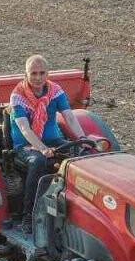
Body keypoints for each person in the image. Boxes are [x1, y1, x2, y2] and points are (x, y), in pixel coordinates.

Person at [10, 55, 87, 230]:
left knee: (82, 155)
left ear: (48, 74)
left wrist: (82, 139)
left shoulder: (56, 92)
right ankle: (28, 216)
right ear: (26, 74)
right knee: (38, 162)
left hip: (53, 140)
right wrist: (42, 149)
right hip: (26, 145)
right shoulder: (17, 97)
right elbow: (24, 129)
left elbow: (69, 116)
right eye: (33, 73)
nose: (37, 78)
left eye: (41, 73)